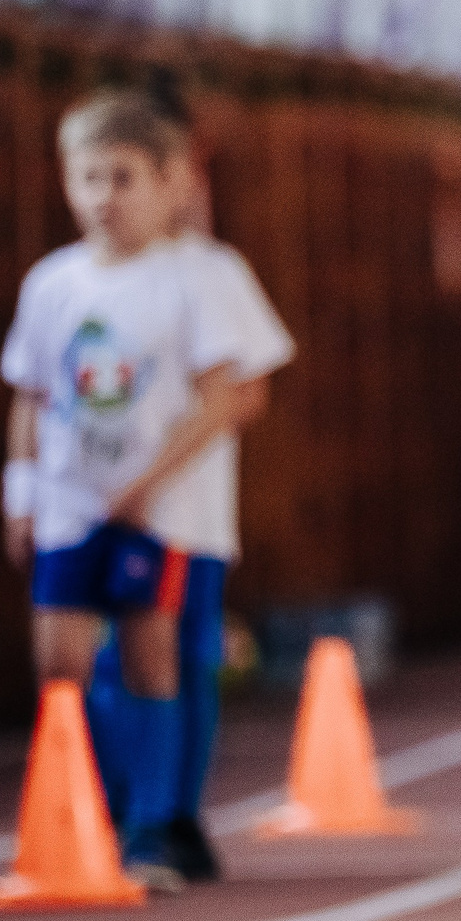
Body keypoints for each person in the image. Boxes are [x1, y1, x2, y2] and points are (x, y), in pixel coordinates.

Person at [1, 92, 248, 891]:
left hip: (156, 511)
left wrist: (146, 483)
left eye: (122, 178)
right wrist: (21, 493)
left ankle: (154, 825)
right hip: (70, 505)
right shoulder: (52, 283)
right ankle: (82, 811)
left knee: (153, 658)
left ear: (165, 182)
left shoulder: (190, 279)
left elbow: (226, 395)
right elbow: (32, 394)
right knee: (61, 662)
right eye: (88, 178)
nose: (104, 196)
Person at [144, 132, 293, 881]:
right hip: (96, 510)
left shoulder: (211, 270)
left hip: (185, 510)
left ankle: (171, 815)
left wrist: (156, 468)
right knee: (104, 662)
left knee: (180, 656)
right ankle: (120, 807)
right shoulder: (68, 277)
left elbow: (246, 390)